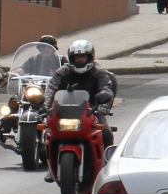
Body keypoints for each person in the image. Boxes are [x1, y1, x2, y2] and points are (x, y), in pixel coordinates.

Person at [45, 39, 117, 173]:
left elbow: (106, 89)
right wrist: (44, 106)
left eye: (82, 56)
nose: (79, 59)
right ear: (71, 57)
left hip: (92, 111)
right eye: (76, 56)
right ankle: (52, 166)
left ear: (90, 57)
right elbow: (51, 89)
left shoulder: (99, 72)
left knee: (106, 132)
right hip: (65, 110)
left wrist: (104, 105)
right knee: (50, 132)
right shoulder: (62, 72)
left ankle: (108, 164)